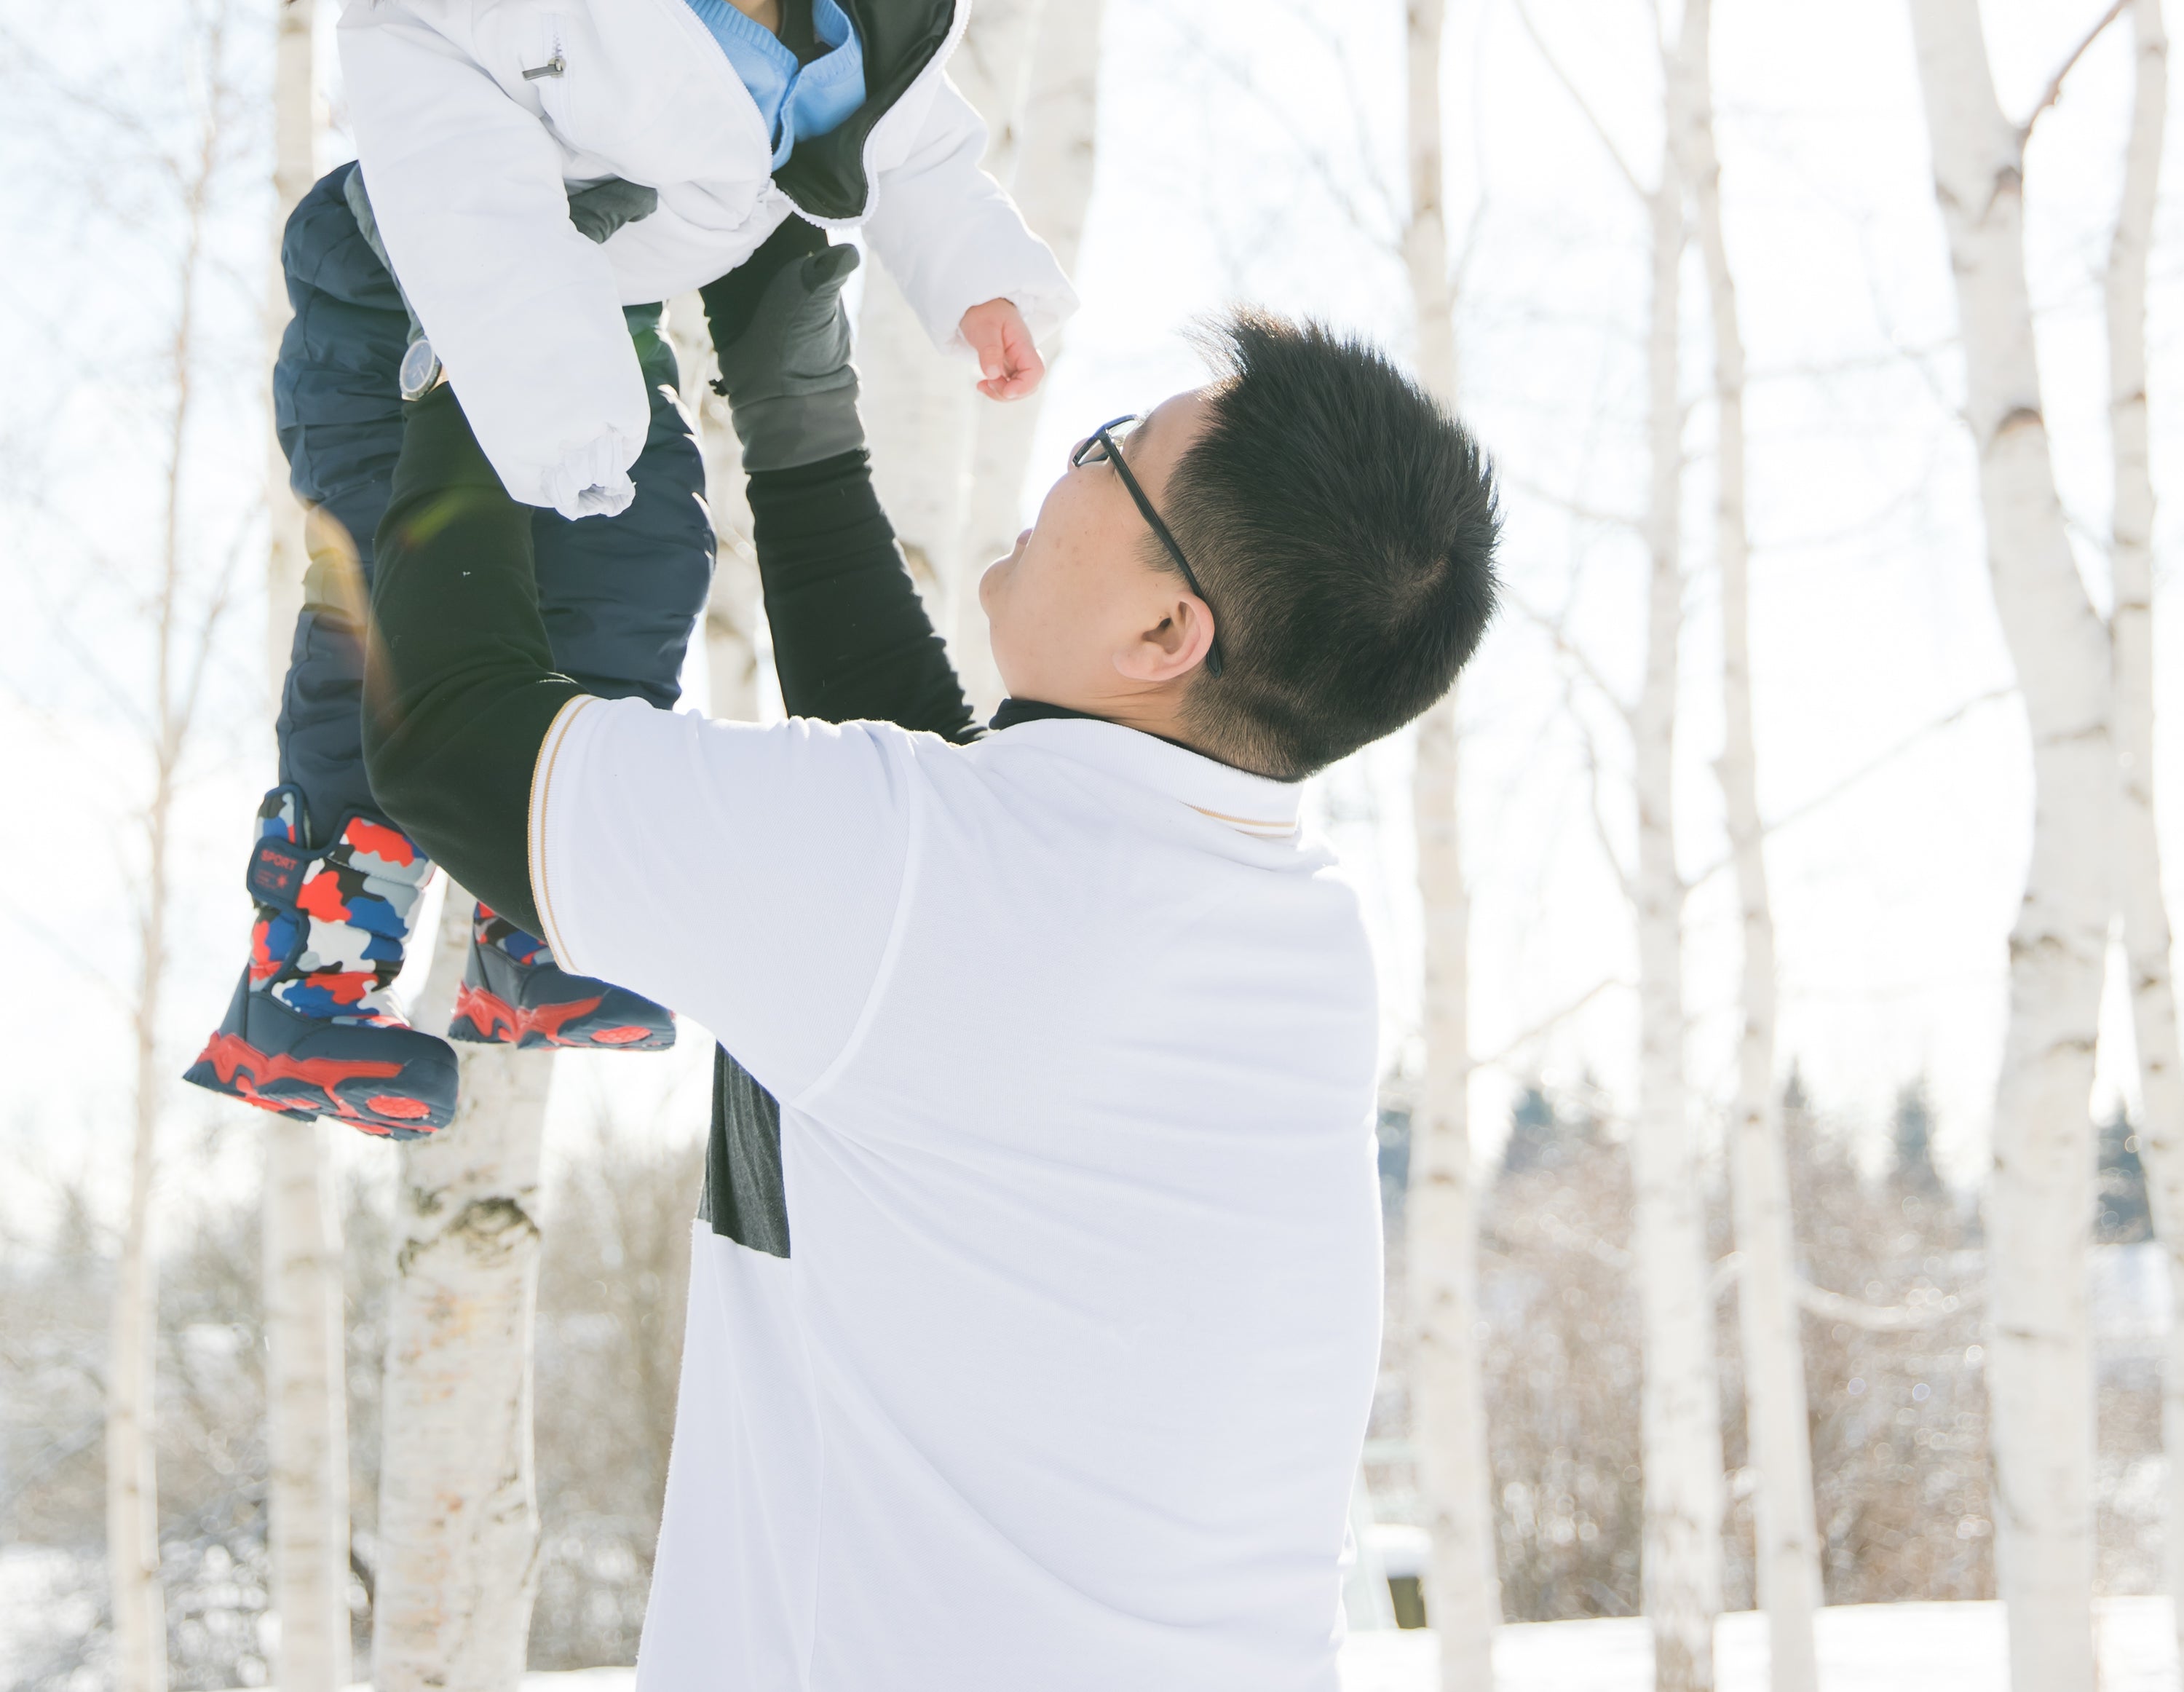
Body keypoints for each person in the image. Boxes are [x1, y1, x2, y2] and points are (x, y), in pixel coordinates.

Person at [360, 307, 1500, 1691]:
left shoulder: (943, 891)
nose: (1067, 472)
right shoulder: (1290, 924)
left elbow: (452, 742)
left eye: (1109, 453)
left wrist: (482, 327)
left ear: (1165, 627)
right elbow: (928, 847)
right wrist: (797, 415)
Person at [186, 0, 1072, 1136]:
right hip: (404, 305)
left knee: (642, 560)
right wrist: (549, 408)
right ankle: (306, 985)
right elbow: (467, 202)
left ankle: (541, 925)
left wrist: (984, 281)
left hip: (592, 324)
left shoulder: (846, 20)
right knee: (407, 612)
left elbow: (920, 157)